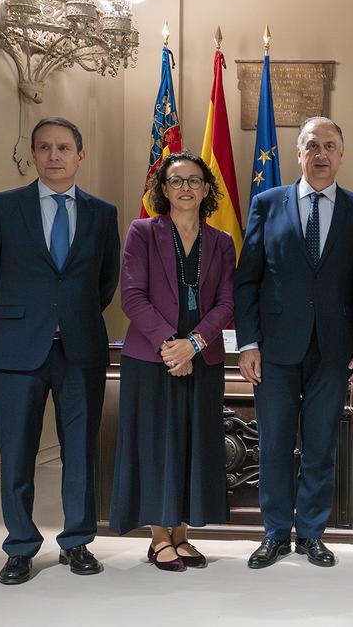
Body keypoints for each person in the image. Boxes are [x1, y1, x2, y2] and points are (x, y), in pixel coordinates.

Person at [0, 117, 120, 585]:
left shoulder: (102, 213)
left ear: (81, 154)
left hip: (80, 349)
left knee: (79, 451)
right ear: (32, 155)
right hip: (17, 350)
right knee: (17, 452)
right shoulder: (2, 207)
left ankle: (76, 543)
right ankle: (19, 547)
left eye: (63, 147)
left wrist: (66, 317)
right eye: (44, 147)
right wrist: (24, 319)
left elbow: (105, 282)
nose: (54, 155)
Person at [233, 116, 353, 570]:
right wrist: (248, 342)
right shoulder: (266, 203)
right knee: (273, 443)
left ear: (341, 154)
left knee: (319, 445)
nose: (320, 154)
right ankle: (275, 533)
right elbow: (247, 279)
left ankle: (312, 533)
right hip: (274, 348)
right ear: (298, 153)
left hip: (333, 350)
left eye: (329, 145)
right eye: (312, 145)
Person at [110, 151, 234, 571]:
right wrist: (171, 345)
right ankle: (159, 538)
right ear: (163, 189)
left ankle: (183, 535)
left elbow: (226, 301)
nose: (186, 188)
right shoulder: (142, 232)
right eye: (177, 181)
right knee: (156, 442)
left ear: (206, 189)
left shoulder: (221, 242)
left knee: (193, 443)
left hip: (203, 357)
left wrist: (194, 344)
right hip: (150, 357)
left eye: (194, 181)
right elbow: (132, 296)